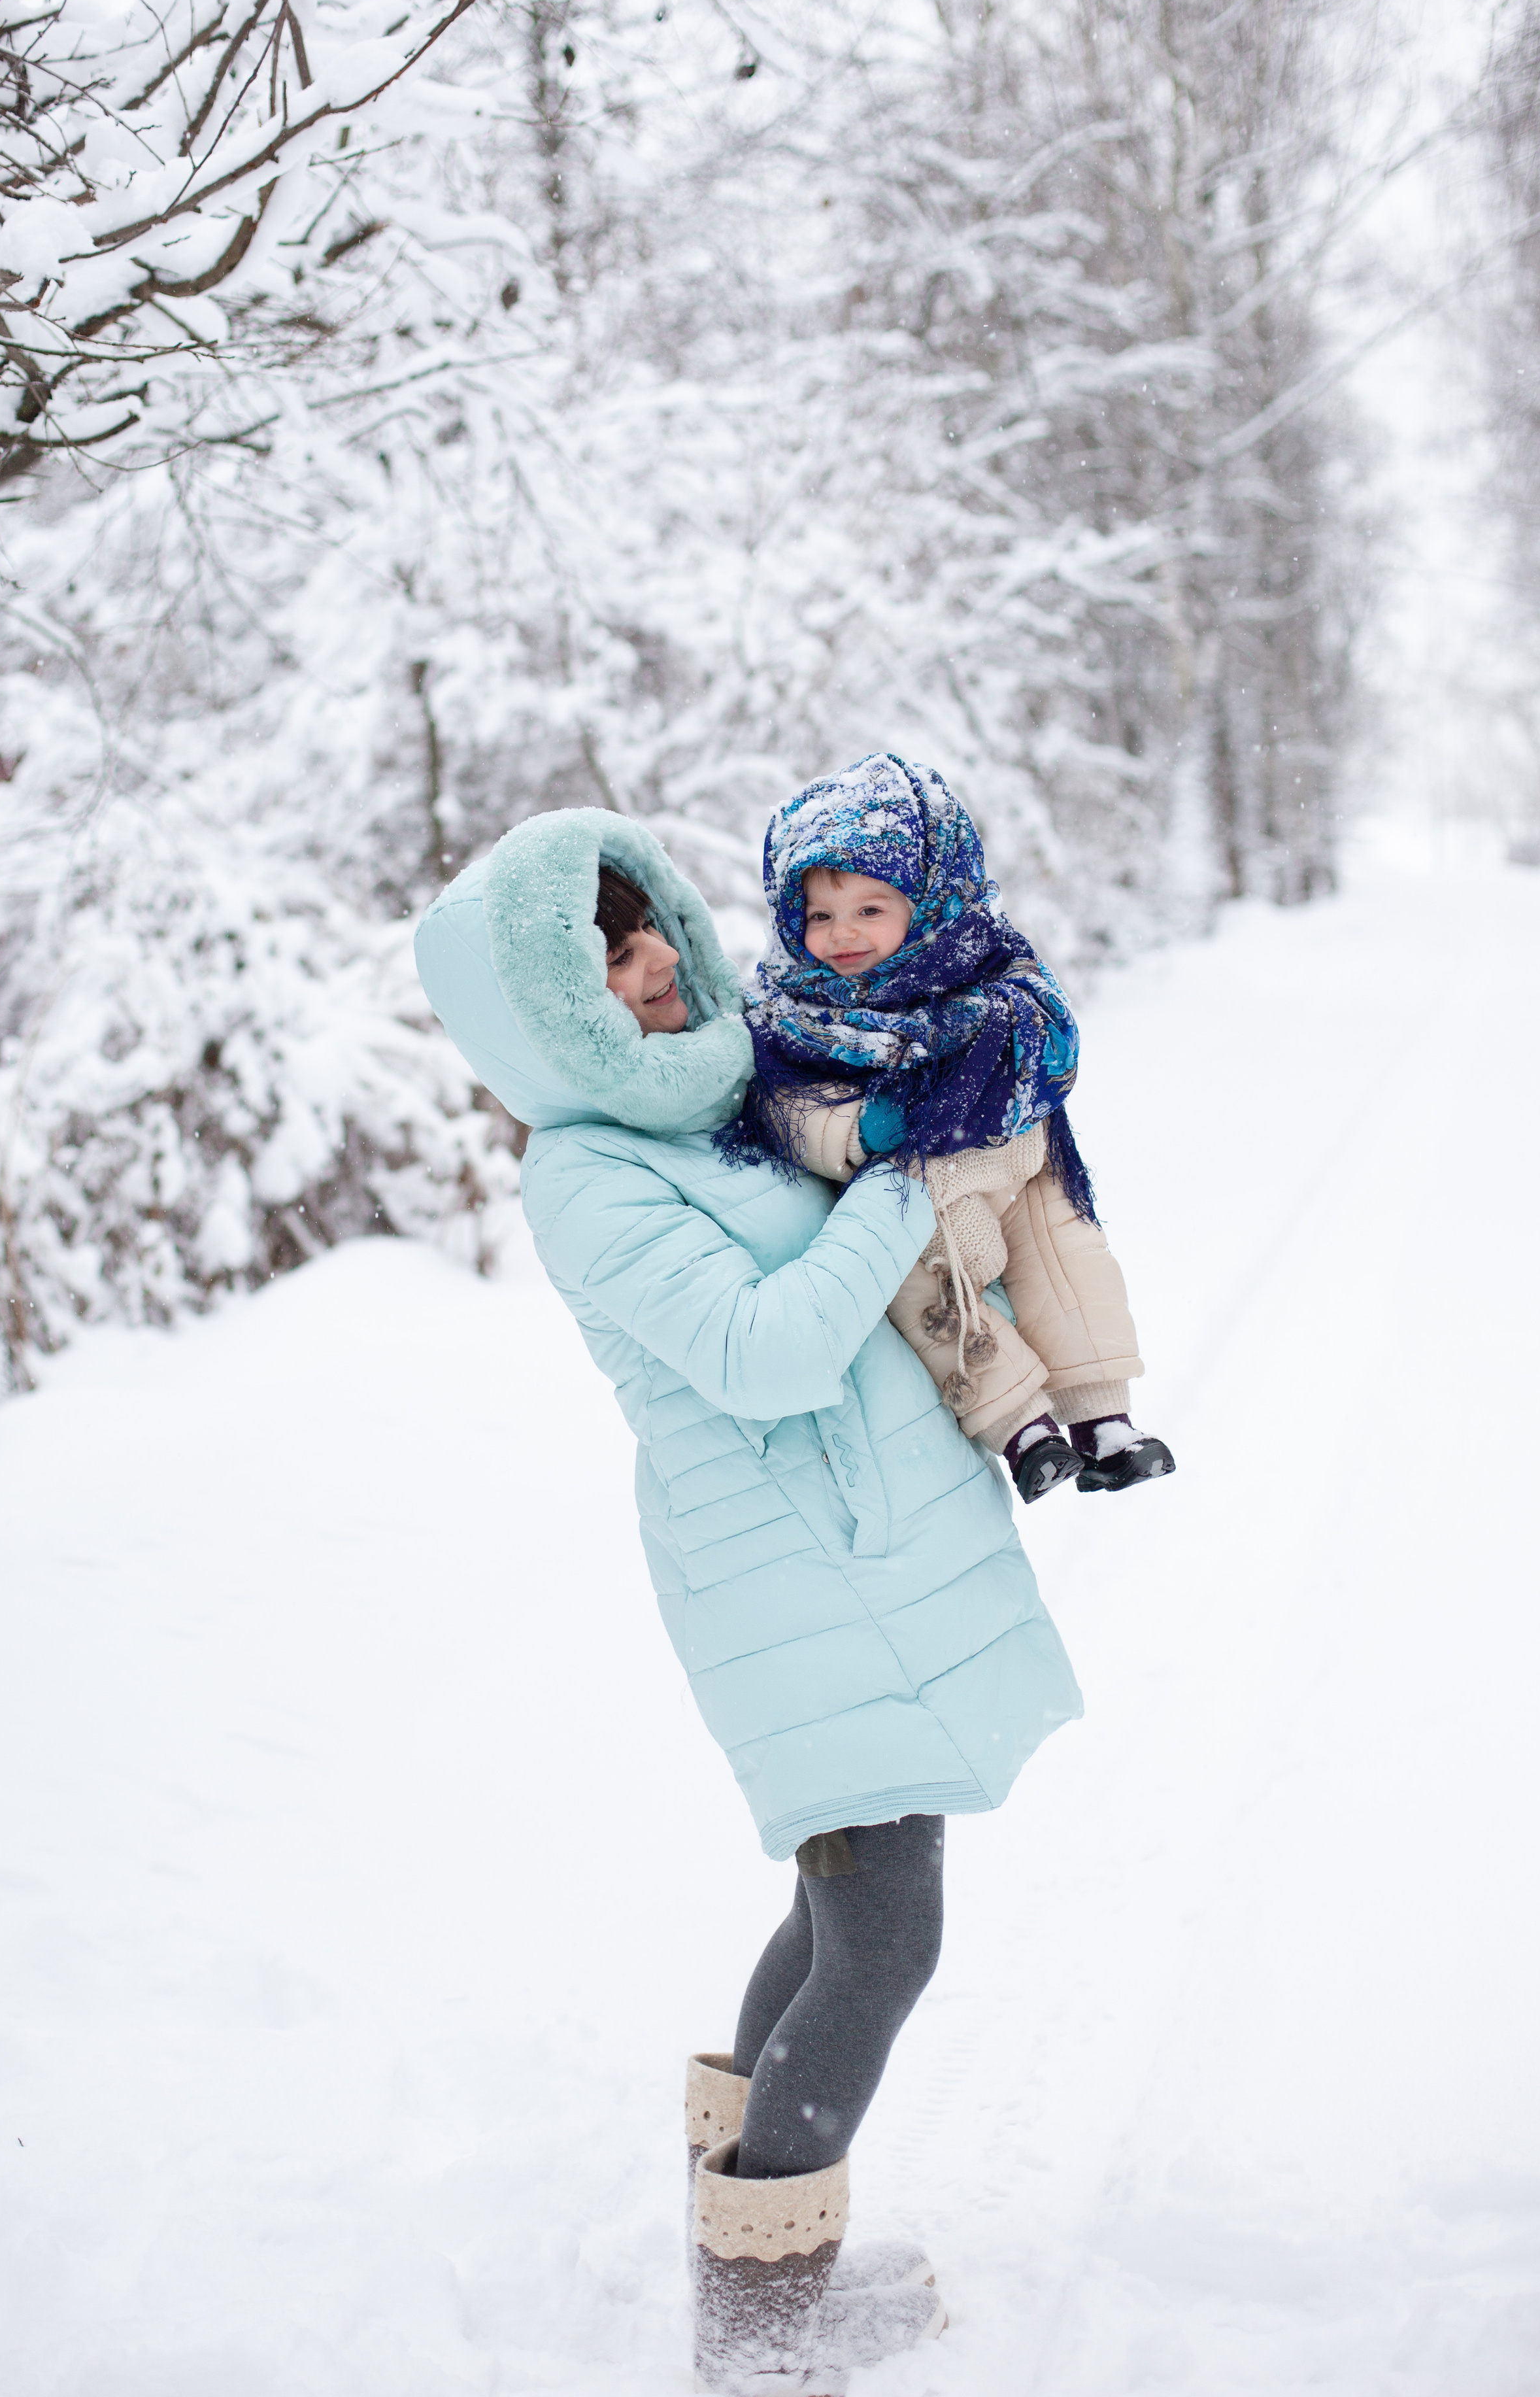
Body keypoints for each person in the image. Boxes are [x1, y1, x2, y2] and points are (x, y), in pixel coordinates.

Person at [414, 806, 1082, 2394]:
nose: (649, 972)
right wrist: (900, 1193)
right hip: (793, 1571)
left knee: (835, 1900)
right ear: (543, 1016)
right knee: (882, 1934)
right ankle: (765, 2326)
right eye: (602, 965)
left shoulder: (715, 1103)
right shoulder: (584, 1173)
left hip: (840, 1556)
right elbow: (762, 1353)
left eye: (649, 937)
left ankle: (746, 2262)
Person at [715, 752, 1175, 1507]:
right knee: (927, 1282)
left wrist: (991, 1089)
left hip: (1016, 1151)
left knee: (1066, 1251)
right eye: (821, 916)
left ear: (927, 899)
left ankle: (1103, 1417)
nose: (842, 935)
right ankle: (1021, 1428)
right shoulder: (788, 1013)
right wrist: (863, 1127)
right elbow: (785, 1112)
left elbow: (1049, 1044)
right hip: (915, 1182)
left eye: (871, 909)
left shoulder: (982, 970)